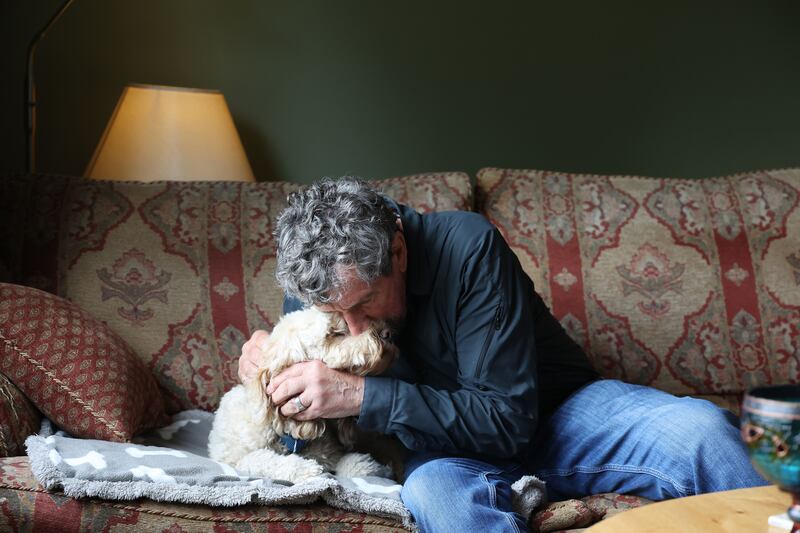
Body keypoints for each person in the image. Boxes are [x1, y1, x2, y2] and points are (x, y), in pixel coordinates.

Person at [237, 177, 767, 532]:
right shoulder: (320, 282)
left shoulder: (468, 247)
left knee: (701, 429)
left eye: (366, 303)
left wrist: (361, 392)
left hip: (557, 414)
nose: (352, 328)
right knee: (440, 501)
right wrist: (265, 377)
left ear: (397, 250)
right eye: (336, 316)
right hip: (437, 453)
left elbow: (507, 421)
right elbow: (296, 413)